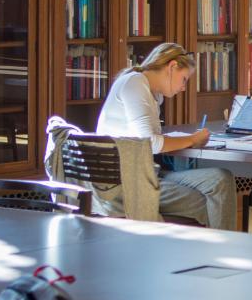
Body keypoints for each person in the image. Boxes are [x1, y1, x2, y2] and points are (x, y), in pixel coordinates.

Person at [95, 42, 237, 230]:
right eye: (184, 79)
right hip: (128, 183)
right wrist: (193, 139)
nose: (183, 87)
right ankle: (219, 251)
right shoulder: (134, 83)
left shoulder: (150, 92)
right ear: (172, 67)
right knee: (210, 200)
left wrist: (187, 141)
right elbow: (150, 143)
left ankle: (214, 249)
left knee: (221, 178)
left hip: (146, 174)